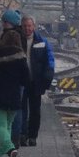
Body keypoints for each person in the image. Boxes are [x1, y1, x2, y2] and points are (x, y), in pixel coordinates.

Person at [0, 29, 29, 157]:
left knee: (0, 125)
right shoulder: (21, 57)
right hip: (14, 95)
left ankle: (10, 149)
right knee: (9, 125)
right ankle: (0, 154)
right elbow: (26, 79)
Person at [19, 15, 56, 146]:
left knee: (35, 110)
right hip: (21, 81)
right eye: (24, 26)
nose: (27, 28)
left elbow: (49, 60)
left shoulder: (42, 41)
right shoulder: (18, 40)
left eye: (29, 25)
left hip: (36, 81)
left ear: (34, 26)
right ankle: (22, 134)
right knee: (21, 109)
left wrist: (47, 77)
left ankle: (32, 136)